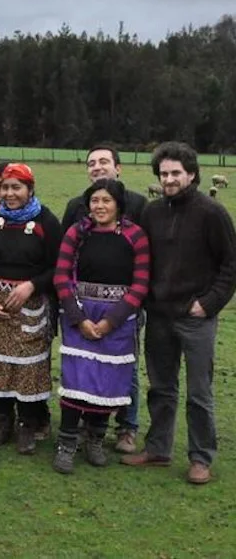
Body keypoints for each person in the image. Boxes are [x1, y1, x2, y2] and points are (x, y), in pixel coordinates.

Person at [123, 142, 236, 485]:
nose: (169, 179)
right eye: (164, 173)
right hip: (158, 313)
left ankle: (201, 457)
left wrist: (209, 303)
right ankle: (158, 448)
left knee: (199, 391)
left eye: (176, 173)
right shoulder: (152, 213)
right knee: (161, 386)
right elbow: (141, 260)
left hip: (195, 316)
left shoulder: (212, 213)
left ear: (191, 174)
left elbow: (230, 266)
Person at [52, 179, 150, 474]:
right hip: (79, 315)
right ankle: (67, 444)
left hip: (118, 320)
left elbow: (140, 283)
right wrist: (79, 319)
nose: (100, 206)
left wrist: (110, 321)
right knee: (76, 381)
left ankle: (95, 438)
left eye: (106, 200)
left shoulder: (136, 236)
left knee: (107, 383)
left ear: (119, 204)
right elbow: (61, 276)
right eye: (95, 201)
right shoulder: (76, 234)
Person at [0, 163, 62, 454]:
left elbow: (58, 266)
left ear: (29, 189)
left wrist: (32, 285)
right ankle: (0, 421)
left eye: (16, 187)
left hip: (29, 307)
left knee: (28, 369)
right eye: (5, 187)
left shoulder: (46, 221)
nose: (9, 193)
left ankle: (27, 426)